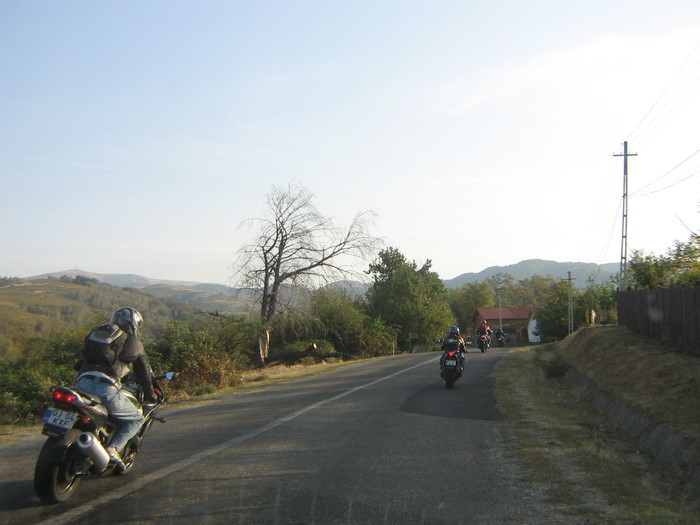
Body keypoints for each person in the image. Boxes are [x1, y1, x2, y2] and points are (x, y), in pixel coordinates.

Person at [75, 307, 157, 470]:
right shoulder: (132, 342)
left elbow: (79, 363)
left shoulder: (99, 334)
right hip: (105, 389)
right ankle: (113, 449)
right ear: (134, 324)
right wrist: (151, 396)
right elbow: (143, 372)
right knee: (136, 419)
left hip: (81, 384)